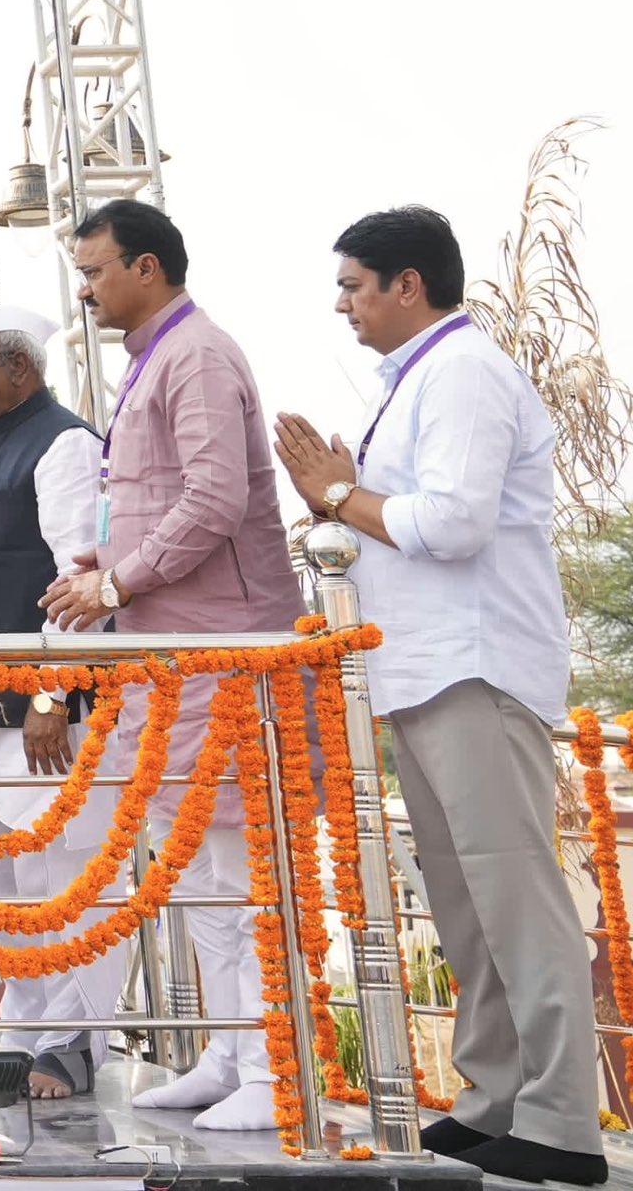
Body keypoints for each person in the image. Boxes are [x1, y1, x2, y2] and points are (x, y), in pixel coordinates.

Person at [275, 207, 603, 1188]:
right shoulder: (417, 377)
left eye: (351, 285)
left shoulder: (460, 371)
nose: (340, 303)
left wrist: (338, 497)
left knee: (512, 896)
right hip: (421, 670)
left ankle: (559, 1124)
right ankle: (493, 1096)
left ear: (406, 284)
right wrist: (337, 500)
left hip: (474, 666)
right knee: (461, 904)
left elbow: (453, 524)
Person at [39, 200, 302, 1132]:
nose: (85, 289)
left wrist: (118, 585)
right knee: (195, 868)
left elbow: (217, 499)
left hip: (222, 649)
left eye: (96, 270)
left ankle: (275, 1071)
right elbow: (151, 504)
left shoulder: (195, 354)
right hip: (166, 653)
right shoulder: (155, 357)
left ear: (147, 269)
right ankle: (228, 1054)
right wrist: (107, 571)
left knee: (238, 867)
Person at [0, 303, 127, 1098]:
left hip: (33, 711)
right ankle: (26, 1028)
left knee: (54, 876)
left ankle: (74, 1041)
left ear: (21, 366)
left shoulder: (64, 441)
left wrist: (53, 689)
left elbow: (80, 578)